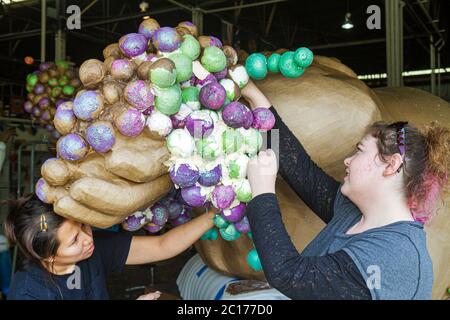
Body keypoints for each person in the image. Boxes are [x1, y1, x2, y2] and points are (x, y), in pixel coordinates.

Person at [242, 80, 450, 300]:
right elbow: (302, 170)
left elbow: (288, 275)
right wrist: (255, 98)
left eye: (359, 151)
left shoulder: (396, 255)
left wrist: (263, 192)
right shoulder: (354, 212)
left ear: (391, 164)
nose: (348, 161)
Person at [2, 194, 215, 300]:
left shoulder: (92, 251)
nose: (88, 238)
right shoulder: (28, 292)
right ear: (48, 257)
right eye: (74, 241)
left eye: (84, 225)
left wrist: (214, 215)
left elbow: (162, 246)